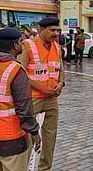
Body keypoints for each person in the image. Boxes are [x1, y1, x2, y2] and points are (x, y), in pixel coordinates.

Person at [0, 27, 41, 171]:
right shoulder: (15, 70)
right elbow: (24, 108)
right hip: (12, 139)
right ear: (15, 45)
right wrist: (34, 132)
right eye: (21, 42)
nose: (23, 45)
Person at [19, 17, 65, 171]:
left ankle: (45, 168)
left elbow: (61, 69)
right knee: (28, 138)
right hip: (33, 98)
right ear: (41, 30)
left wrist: (61, 83)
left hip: (52, 98)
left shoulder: (57, 47)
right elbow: (21, 74)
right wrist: (41, 88)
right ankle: (23, 167)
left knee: (50, 138)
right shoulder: (28, 46)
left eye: (57, 30)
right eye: (52, 30)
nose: (56, 33)